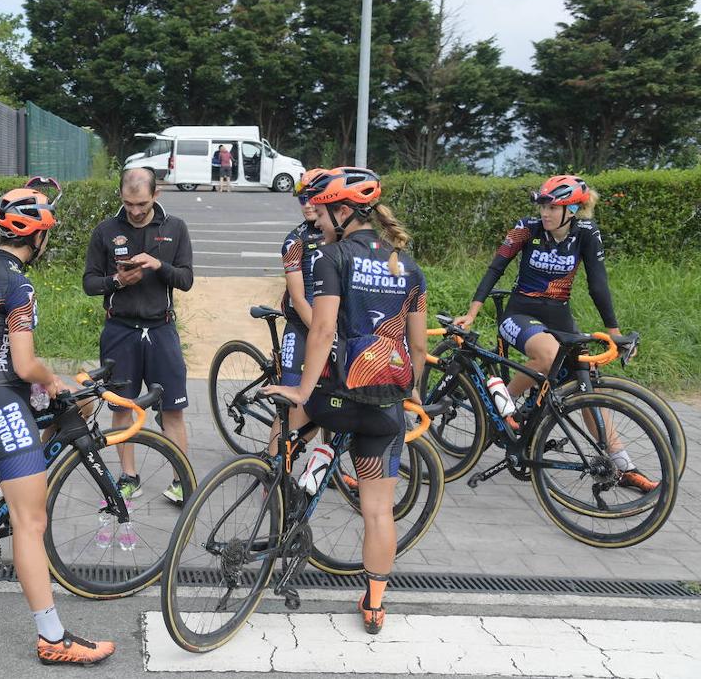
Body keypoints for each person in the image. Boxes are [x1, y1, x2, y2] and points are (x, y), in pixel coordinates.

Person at [0, 181, 115, 665]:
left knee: (28, 482)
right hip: (3, 397)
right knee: (31, 521)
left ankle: (4, 489)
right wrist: (53, 379)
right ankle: (52, 637)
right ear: (36, 237)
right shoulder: (20, 283)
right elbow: (24, 365)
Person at [263, 167, 428, 636]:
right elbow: (416, 347)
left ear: (342, 210)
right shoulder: (407, 264)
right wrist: (413, 393)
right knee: (378, 511)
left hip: (334, 398)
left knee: (288, 430)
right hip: (384, 409)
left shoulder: (333, 257)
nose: (317, 221)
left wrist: (300, 389)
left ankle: (275, 497)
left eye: (325, 212)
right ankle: (375, 604)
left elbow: (322, 329)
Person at [450, 175, 653, 492]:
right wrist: (474, 311)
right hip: (520, 313)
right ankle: (506, 406)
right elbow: (496, 268)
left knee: (584, 381)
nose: (544, 212)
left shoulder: (586, 233)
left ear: (571, 210)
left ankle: (623, 464)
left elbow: (598, 284)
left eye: (552, 207)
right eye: (542, 205)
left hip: (559, 316)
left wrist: (614, 331)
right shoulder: (526, 228)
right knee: (546, 356)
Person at [83, 167, 194, 505]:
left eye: (142, 204)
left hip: (161, 329)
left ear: (156, 195)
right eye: (129, 203)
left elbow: (186, 279)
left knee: (173, 411)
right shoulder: (105, 231)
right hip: (120, 331)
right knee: (121, 407)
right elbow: (89, 283)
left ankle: (182, 481)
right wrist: (117, 282)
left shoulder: (174, 228)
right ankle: (128, 477)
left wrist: (158, 266)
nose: (135, 211)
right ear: (121, 196)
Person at [269, 169, 327, 456]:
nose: (306, 203)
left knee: (334, 398)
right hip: (303, 325)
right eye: (301, 198)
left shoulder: (341, 237)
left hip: (330, 327)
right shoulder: (295, 241)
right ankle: (273, 467)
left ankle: (332, 465)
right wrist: (323, 331)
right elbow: (298, 297)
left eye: (312, 197)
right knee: (290, 404)